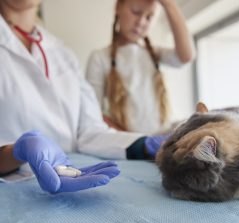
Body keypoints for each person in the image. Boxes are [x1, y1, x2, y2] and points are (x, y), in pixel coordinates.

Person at [0, 0, 169, 194]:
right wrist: (15, 153)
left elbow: (89, 132)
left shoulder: (64, 54)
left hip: (75, 179)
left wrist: (143, 144)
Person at [86, 0, 195, 134]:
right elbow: (93, 112)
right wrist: (136, 140)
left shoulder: (155, 54)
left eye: (149, 17)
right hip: (130, 145)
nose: (141, 22)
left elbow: (187, 56)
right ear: (118, 7)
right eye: (136, 12)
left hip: (163, 139)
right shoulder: (99, 58)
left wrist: (169, 4)